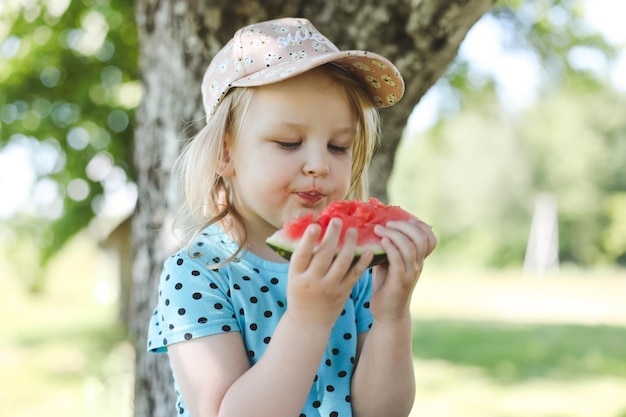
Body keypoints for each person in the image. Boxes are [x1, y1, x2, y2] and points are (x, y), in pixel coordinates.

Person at [147, 17, 437, 417]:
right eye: (289, 143)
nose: (318, 164)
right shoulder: (198, 273)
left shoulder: (350, 266)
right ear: (225, 153)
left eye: (338, 146)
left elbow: (382, 412)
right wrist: (308, 320)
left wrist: (391, 318)